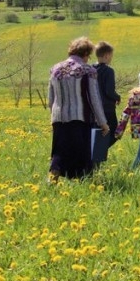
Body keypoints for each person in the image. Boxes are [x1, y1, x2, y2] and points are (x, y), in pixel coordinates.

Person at [47, 37, 109, 183]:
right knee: (81, 155)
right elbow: (94, 99)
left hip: (59, 118)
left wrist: (53, 116)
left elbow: (50, 98)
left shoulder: (55, 69)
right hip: (80, 119)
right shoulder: (87, 70)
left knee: (59, 152)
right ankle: (83, 185)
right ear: (86, 53)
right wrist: (103, 122)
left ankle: (52, 181)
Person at [93, 41, 120, 150]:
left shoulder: (91, 69)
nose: (111, 58)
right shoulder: (109, 71)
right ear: (107, 55)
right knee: (115, 132)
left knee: (99, 132)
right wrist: (117, 97)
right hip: (107, 108)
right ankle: (99, 150)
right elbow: (109, 91)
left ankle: (97, 153)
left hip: (94, 108)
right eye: (111, 56)